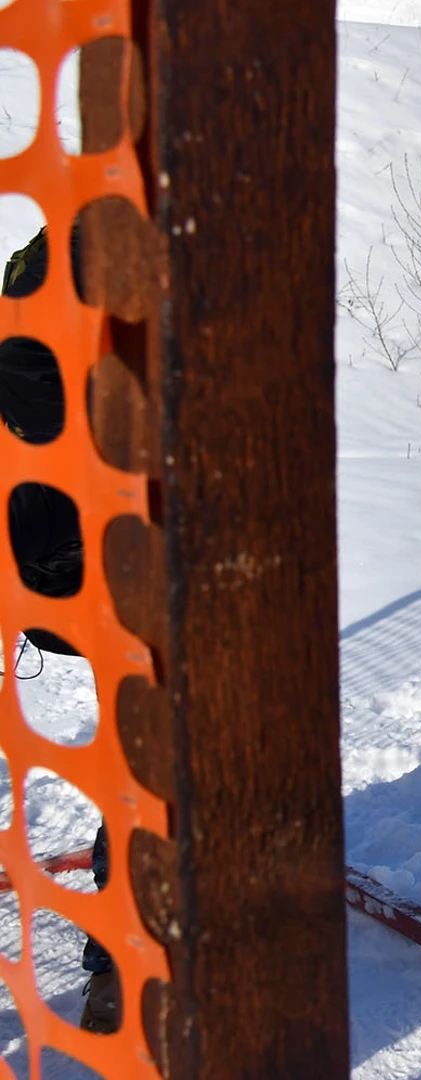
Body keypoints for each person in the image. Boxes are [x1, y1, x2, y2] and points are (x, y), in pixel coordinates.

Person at [2, 227, 118, 1035]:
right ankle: (131, 964)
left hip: (65, 549)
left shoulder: (52, 257)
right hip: (84, 553)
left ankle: (128, 956)